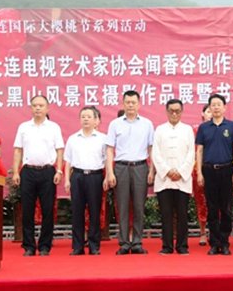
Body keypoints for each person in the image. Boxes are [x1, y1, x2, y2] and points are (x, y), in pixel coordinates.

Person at [12, 95, 64, 256]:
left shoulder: (54, 127)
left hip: (48, 171)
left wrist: (59, 170)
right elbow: (18, 150)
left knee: (48, 209)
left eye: (41, 105)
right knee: (27, 210)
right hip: (28, 171)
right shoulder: (24, 127)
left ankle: (44, 246)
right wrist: (16, 171)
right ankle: (28, 246)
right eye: (35, 105)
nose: (38, 108)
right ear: (31, 108)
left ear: (47, 108)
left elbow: (59, 150)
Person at [105, 90, 154, 255]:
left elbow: (151, 149)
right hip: (121, 167)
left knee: (139, 206)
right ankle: (124, 243)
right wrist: (110, 172)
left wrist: (152, 170)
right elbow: (109, 150)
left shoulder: (147, 124)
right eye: (128, 102)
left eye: (134, 102)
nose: (131, 105)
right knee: (122, 206)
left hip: (141, 167)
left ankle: (137, 242)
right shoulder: (115, 124)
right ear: (123, 104)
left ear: (139, 104)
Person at [195, 94, 233, 255]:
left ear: (224, 107)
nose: (215, 107)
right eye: (212, 105)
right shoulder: (203, 128)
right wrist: (199, 173)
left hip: (227, 170)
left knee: (226, 208)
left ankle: (225, 242)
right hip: (209, 171)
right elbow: (199, 151)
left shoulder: (232, 126)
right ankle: (214, 243)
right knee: (212, 208)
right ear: (209, 108)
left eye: (218, 104)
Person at [152, 99, 195, 255]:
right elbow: (155, 154)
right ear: (167, 111)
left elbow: (191, 154)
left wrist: (181, 172)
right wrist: (167, 171)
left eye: (177, 111)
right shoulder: (160, 130)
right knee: (166, 214)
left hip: (183, 179)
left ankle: (182, 246)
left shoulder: (188, 130)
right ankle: (167, 246)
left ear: (181, 112)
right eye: (171, 111)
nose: (174, 114)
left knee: (182, 214)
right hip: (164, 179)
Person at [64, 106, 106, 255]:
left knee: (94, 211)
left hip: (95, 176)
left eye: (89, 117)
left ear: (96, 120)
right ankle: (78, 246)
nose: (86, 119)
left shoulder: (103, 138)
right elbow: (68, 161)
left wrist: (107, 177)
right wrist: (67, 180)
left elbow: (107, 159)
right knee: (77, 211)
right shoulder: (73, 139)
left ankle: (94, 245)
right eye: (83, 117)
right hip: (77, 176)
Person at [192, 104, 212, 246]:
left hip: (215, 170)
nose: (210, 114)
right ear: (203, 114)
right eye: (208, 111)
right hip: (198, 169)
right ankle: (203, 232)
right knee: (201, 202)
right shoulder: (195, 131)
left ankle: (215, 231)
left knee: (216, 202)